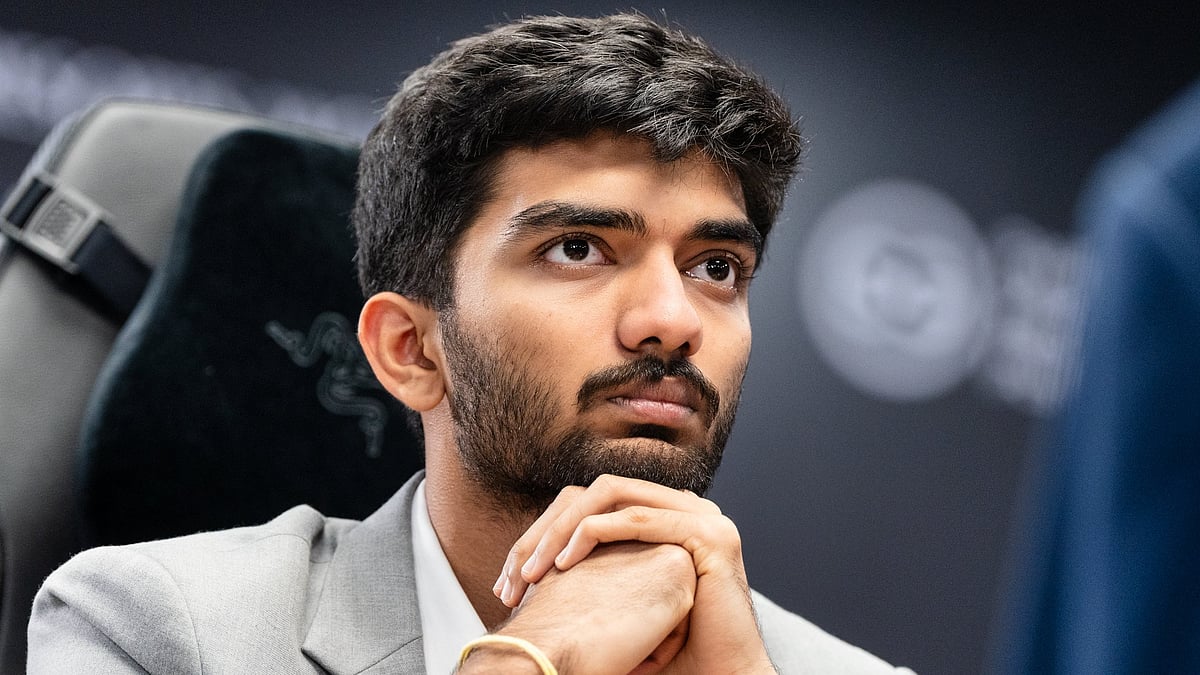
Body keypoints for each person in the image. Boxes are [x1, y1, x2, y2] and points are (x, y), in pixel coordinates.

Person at [28, 14, 910, 673]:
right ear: (410, 349)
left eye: (716, 267)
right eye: (579, 248)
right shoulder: (150, 628)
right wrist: (525, 660)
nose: (673, 319)